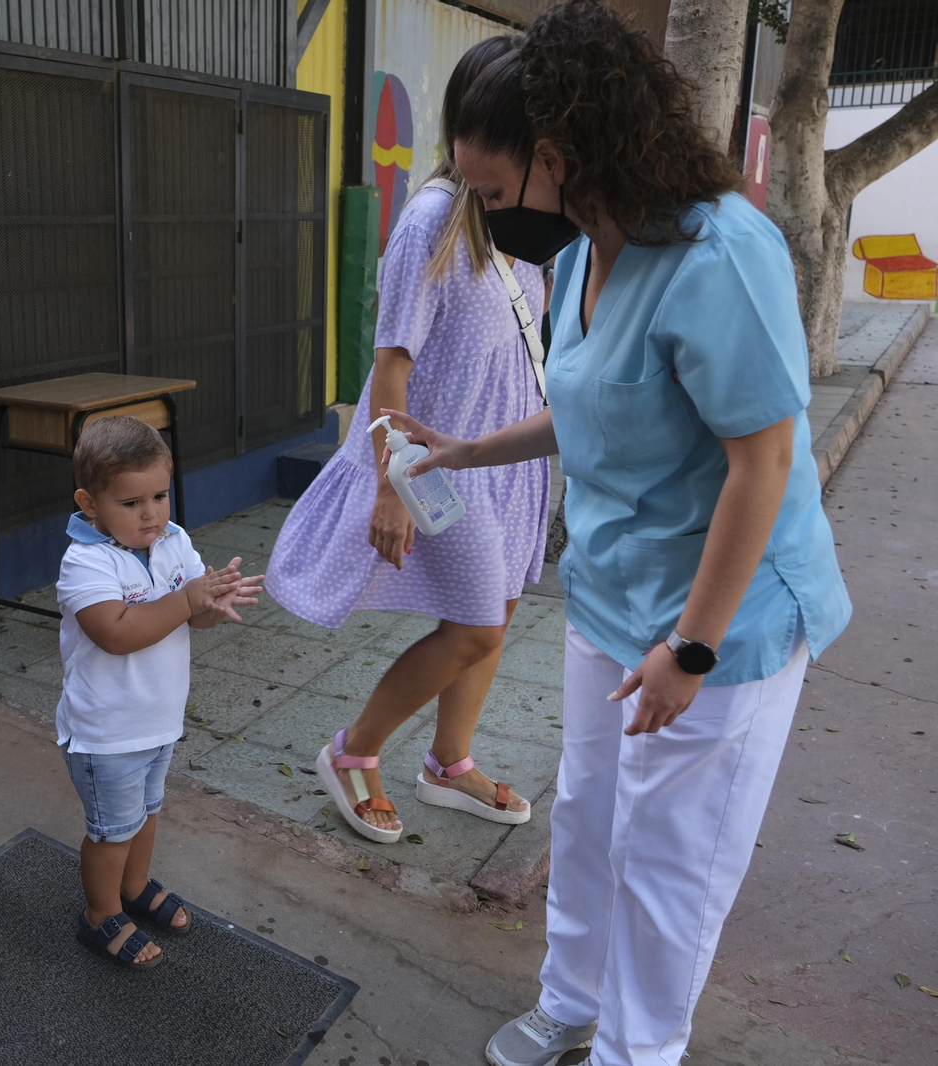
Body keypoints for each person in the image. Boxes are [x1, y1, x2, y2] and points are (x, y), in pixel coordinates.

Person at [391, 4, 853, 1064]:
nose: (482, 212)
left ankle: (635, 1050)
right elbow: (590, 404)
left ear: (562, 155)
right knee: (589, 821)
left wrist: (691, 647)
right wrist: (461, 451)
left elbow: (761, 463)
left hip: (716, 626)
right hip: (608, 598)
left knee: (669, 861)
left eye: (494, 192)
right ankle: (570, 1002)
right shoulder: (582, 251)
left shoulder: (719, 255)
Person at [267, 35, 549, 843]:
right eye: (469, 132)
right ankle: (354, 753)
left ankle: (448, 765)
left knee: (495, 606)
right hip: (432, 464)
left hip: (498, 456)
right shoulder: (433, 218)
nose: (478, 167)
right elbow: (388, 369)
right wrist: (389, 486)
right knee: (477, 628)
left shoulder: (525, 225)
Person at [55, 416, 261, 968]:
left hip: (158, 721)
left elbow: (194, 619)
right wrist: (189, 600)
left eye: (160, 495)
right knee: (110, 833)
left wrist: (215, 605)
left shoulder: (173, 542)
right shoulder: (86, 561)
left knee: (146, 814)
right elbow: (117, 633)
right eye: (131, 502)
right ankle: (99, 914)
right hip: (107, 733)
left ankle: (135, 886)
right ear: (90, 502)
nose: (151, 513)